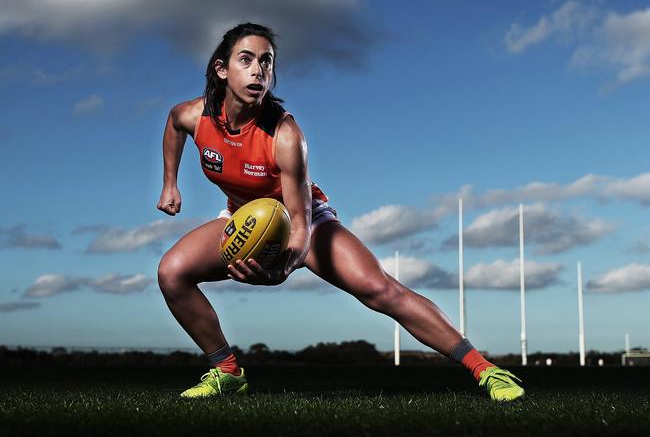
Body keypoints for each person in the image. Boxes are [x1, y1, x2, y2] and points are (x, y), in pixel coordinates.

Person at [156, 23, 524, 401]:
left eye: (266, 62)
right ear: (222, 70)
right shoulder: (194, 116)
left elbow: (298, 224)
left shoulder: (284, 136)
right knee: (171, 273)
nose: (258, 70)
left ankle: (487, 370)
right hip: (246, 217)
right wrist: (171, 183)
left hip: (305, 221)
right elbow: (172, 124)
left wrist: (280, 269)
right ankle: (228, 372)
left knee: (380, 290)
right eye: (246, 60)